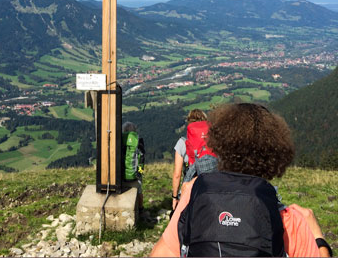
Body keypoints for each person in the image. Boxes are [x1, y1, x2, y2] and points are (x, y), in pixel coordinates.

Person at [152, 103, 333, 257]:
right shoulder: (290, 221)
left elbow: (160, 254)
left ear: (220, 147)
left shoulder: (194, 195)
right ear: (275, 154)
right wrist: (318, 237)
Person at [172, 109, 209, 212]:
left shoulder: (182, 142)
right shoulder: (213, 140)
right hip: (211, 184)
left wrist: (175, 197)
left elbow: (177, 174)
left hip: (190, 185)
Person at [122, 121, 145, 212]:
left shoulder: (120, 140)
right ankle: (140, 208)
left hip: (122, 175)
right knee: (139, 191)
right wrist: (140, 173)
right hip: (135, 175)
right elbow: (142, 159)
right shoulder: (138, 141)